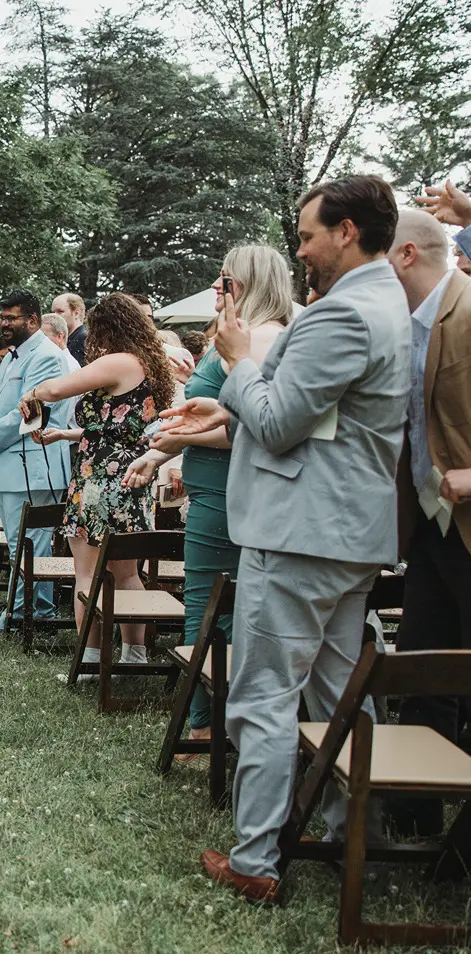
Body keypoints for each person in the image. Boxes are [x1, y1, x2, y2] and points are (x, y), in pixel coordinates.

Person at [165, 175, 409, 903]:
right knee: (338, 694)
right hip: (345, 533)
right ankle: (338, 830)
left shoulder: (342, 315)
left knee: (264, 695)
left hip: (299, 532)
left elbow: (277, 424)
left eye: (306, 234)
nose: (299, 249)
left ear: (346, 231)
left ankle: (254, 861)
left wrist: (238, 361)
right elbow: (312, 417)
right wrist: (232, 395)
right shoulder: (384, 303)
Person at [125, 245, 293, 755]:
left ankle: (205, 728)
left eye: (224, 281)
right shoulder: (236, 339)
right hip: (211, 488)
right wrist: (161, 455)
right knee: (209, 605)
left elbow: (253, 428)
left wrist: (184, 441)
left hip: (228, 494)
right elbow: (215, 416)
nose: (217, 290)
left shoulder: (263, 340)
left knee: (208, 607)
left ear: (248, 284)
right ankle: (210, 723)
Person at [23, 293, 175, 674]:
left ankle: (90, 659)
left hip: (98, 482)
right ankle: (133, 655)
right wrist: (66, 435)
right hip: (131, 476)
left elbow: (57, 389)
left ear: (107, 327)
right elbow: (116, 430)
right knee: (127, 573)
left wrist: (33, 393)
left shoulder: (118, 360)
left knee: (88, 572)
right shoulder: (149, 367)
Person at [384, 209, 471, 837]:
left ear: (406, 254)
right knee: (422, 667)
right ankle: (414, 818)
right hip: (432, 531)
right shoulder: (401, 325)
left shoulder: (468, 308)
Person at [0, 290, 73, 630]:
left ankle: (26, 614)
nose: (3, 323)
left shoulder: (45, 356)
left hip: (33, 465)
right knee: (23, 543)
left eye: (10, 317)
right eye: (2, 317)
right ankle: (31, 610)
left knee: (30, 544)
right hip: (10, 466)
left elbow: (28, 414)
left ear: (32, 320)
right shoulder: (12, 357)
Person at [52, 293, 87, 364]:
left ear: (76, 313)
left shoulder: (83, 338)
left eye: (60, 311)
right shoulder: (66, 339)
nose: (54, 316)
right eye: (53, 312)